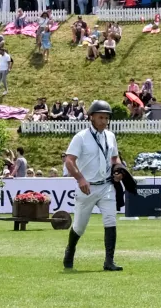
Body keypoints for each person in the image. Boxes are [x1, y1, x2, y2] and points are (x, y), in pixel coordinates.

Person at [63, 100, 126, 271]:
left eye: (106, 118)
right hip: (87, 187)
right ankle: (70, 250)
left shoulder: (110, 136)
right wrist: (80, 179)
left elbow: (115, 158)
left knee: (110, 220)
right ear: (91, 117)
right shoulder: (81, 137)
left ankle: (109, 261)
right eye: (101, 117)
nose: (104, 121)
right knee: (79, 227)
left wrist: (119, 170)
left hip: (106, 186)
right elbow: (69, 161)